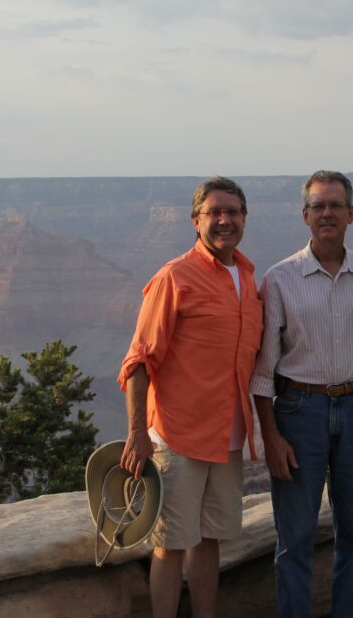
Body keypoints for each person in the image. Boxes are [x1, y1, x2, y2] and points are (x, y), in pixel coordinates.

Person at [252, 170, 353, 618]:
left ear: (351, 213)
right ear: (305, 215)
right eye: (318, 206)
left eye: (336, 205)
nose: (327, 213)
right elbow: (262, 370)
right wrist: (271, 435)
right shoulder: (279, 280)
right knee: (293, 538)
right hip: (299, 412)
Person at [117, 176, 263, 618]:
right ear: (195, 220)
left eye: (233, 212)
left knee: (209, 540)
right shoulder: (174, 276)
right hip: (178, 436)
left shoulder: (250, 277)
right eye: (215, 213)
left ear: (244, 218)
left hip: (229, 436)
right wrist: (137, 433)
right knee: (170, 544)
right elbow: (139, 360)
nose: (225, 220)